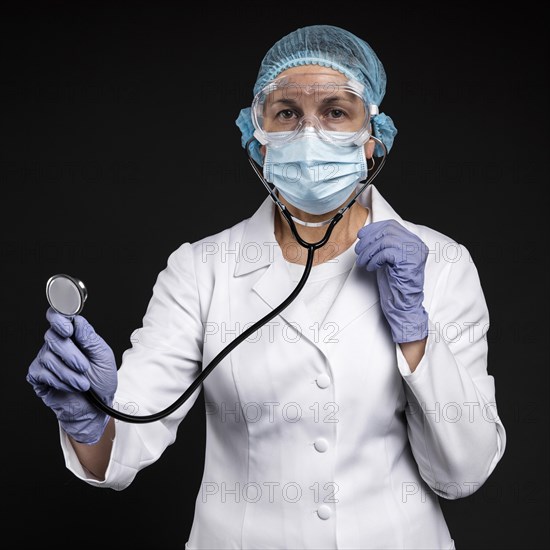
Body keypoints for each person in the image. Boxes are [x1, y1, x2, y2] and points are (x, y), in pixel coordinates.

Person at [26, 24, 506, 550]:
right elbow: (120, 447)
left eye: (336, 112)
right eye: (287, 113)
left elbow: (464, 472)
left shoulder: (440, 263)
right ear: (257, 137)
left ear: (372, 138)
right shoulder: (201, 269)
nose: (309, 134)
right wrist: (88, 414)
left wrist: (416, 337)